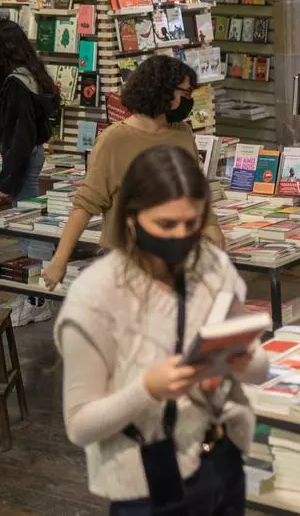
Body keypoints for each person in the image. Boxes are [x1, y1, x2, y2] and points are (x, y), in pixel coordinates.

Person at [55, 146, 270, 515]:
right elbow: (79, 426)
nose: (181, 237)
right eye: (166, 225)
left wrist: (244, 359)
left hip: (221, 457)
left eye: (192, 223)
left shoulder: (211, 265)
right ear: (131, 219)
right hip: (147, 474)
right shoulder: (95, 296)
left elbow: (260, 369)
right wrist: (147, 389)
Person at [42, 55, 217, 291]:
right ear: (162, 90)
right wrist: (59, 260)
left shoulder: (182, 133)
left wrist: (211, 227)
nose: (189, 101)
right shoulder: (114, 140)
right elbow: (86, 204)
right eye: (185, 93)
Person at [0, 20, 59, 326]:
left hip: (22, 158)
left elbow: (19, 138)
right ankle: (35, 294)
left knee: (28, 226)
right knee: (29, 223)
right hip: (29, 155)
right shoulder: (30, 76)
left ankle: (38, 298)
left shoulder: (16, 84)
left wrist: (6, 182)